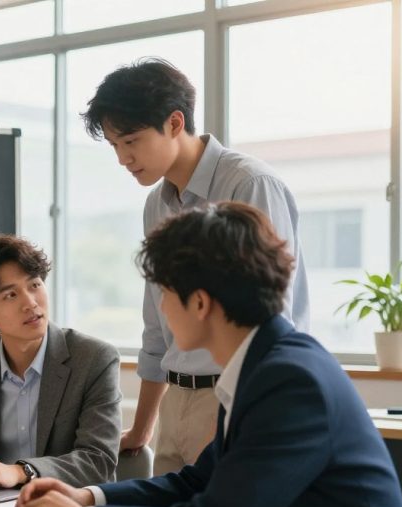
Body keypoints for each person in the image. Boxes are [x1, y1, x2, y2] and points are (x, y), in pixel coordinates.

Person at [16, 203, 402, 507]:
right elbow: (196, 483)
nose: (164, 310)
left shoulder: (290, 382)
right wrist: (87, 498)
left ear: (201, 302)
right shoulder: (262, 365)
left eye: (165, 294)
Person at [82, 57, 311, 474]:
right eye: (115, 146)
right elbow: (157, 326)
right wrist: (142, 427)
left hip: (234, 396)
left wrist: (244, 413)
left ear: (174, 123)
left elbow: (270, 316)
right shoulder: (158, 202)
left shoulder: (248, 185)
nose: (122, 159)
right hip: (176, 401)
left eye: (130, 141)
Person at [0, 234, 121, 489]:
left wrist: (21, 472)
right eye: (11, 295)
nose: (30, 303)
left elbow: (98, 461)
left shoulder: (95, 359)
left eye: (34, 285)